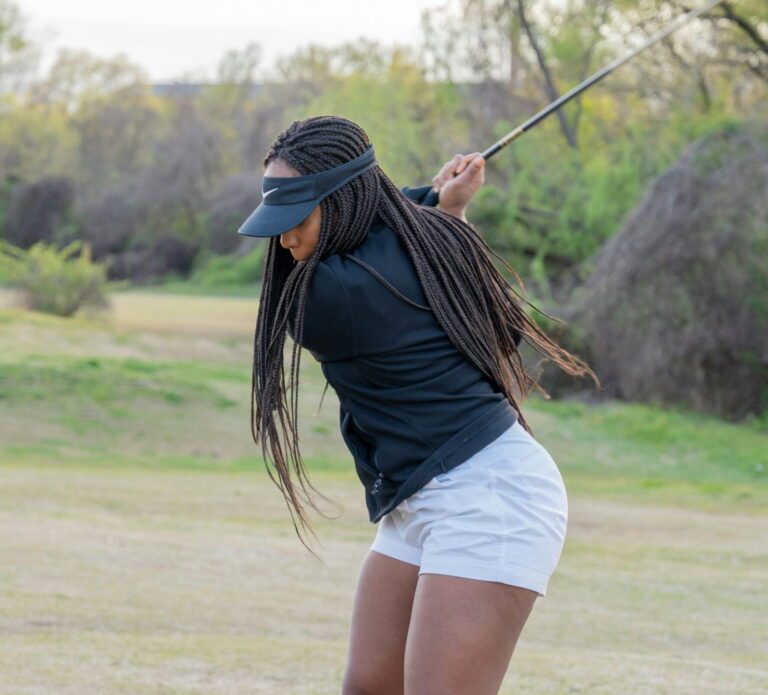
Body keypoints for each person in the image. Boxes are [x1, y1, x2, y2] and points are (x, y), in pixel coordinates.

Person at [237, 115, 600, 694]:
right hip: (423, 498)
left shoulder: (330, 295)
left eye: (296, 219)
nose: (284, 241)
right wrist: (444, 209)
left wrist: (435, 203)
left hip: (489, 499)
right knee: (370, 686)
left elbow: (384, 249)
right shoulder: (435, 240)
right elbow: (400, 238)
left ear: (345, 200)